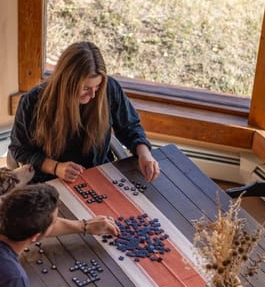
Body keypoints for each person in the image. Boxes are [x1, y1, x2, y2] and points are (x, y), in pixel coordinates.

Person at [8, 41, 160, 184]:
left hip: (99, 174)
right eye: (86, 88)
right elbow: (19, 150)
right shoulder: (33, 102)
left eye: (98, 86)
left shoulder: (109, 89)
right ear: (67, 82)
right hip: (51, 181)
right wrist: (56, 167)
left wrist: (144, 153)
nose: (93, 94)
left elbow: (130, 127)